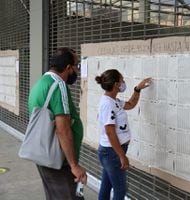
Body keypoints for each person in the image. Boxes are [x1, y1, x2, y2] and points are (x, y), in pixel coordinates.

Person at [28, 47, 87, 200]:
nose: (77, 70)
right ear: (68, 67)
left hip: (43, 154)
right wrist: (74, 165)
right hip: (58, 159)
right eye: (77, 66)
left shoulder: (41, 83)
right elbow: (63, 129)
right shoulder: (58, 85)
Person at [95, 69, 151, 200]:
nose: (123, 82)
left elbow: (130, 104)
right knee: (120, 189)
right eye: (122, 80)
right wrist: (121, 156)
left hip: (111, 152)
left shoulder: (114, 101)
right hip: (112, 153)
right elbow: (110, 131)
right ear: (116, 84)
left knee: (106, 185)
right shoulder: (107, 104)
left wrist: (137, 89)